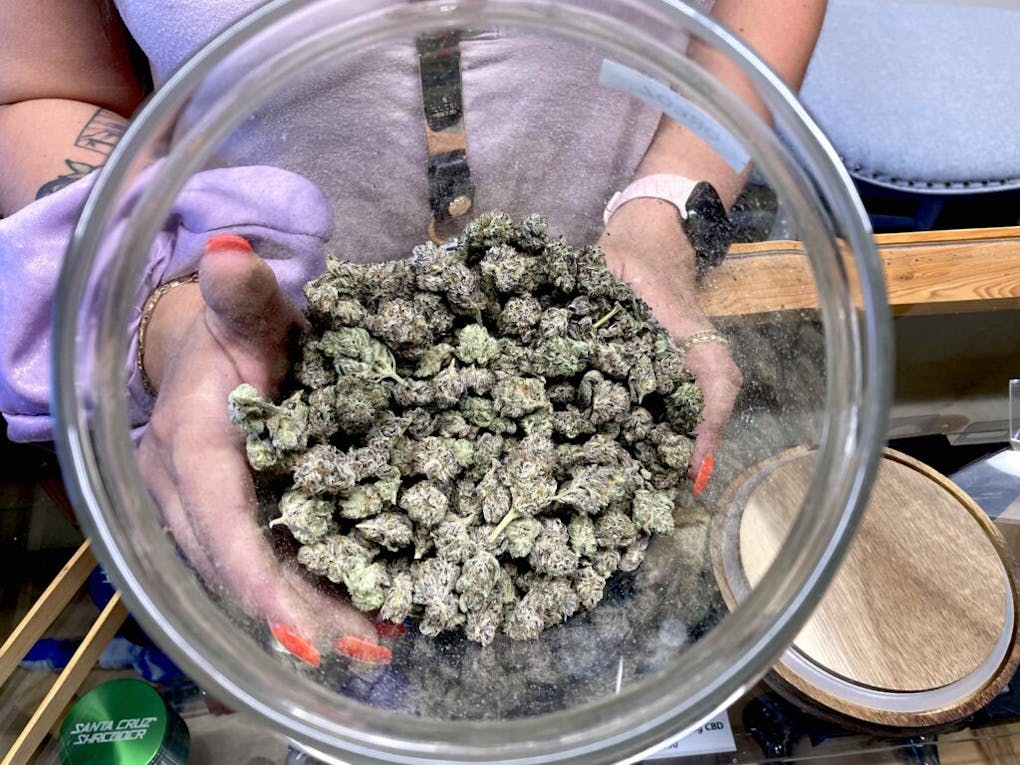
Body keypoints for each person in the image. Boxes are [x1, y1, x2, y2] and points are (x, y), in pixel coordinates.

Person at [0, 0, 826, 661]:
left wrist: (671, 209)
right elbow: (36, 91)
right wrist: (171, 314)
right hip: (260, 379)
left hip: (621, 302)